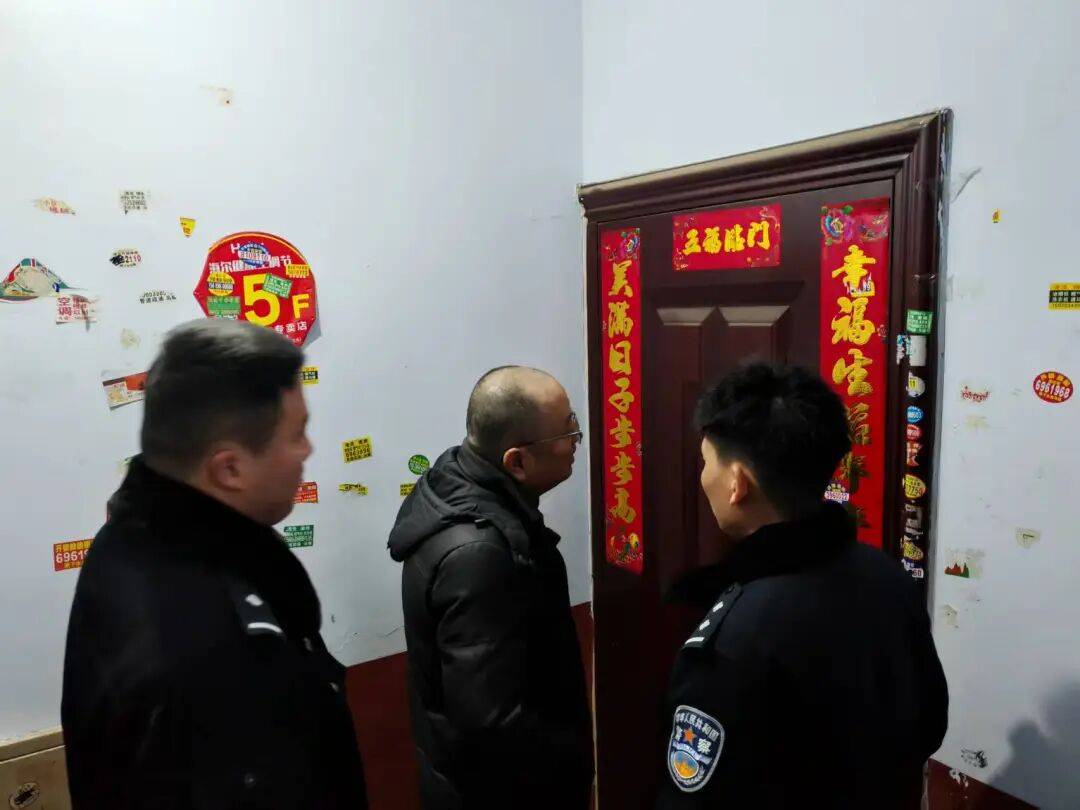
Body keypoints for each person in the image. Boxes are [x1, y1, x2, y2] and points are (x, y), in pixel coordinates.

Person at [62, 319, 368, 809]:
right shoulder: (203, 650)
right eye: (297, 434)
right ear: (229, 468)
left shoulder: (133, 536)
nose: (308, 450)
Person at [657, 363, 948, 808]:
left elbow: (697, 797)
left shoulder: (736, 638)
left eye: (706, 462)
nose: (702, 477)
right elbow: (930, 725)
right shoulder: (887, 577)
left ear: (737, 483)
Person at [388, 366, 594, 810]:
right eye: (568, 430)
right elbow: (490, 722)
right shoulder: (477, 554)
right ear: (517, 461)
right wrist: (567, 761)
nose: (577, 439)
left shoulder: (454, 481)